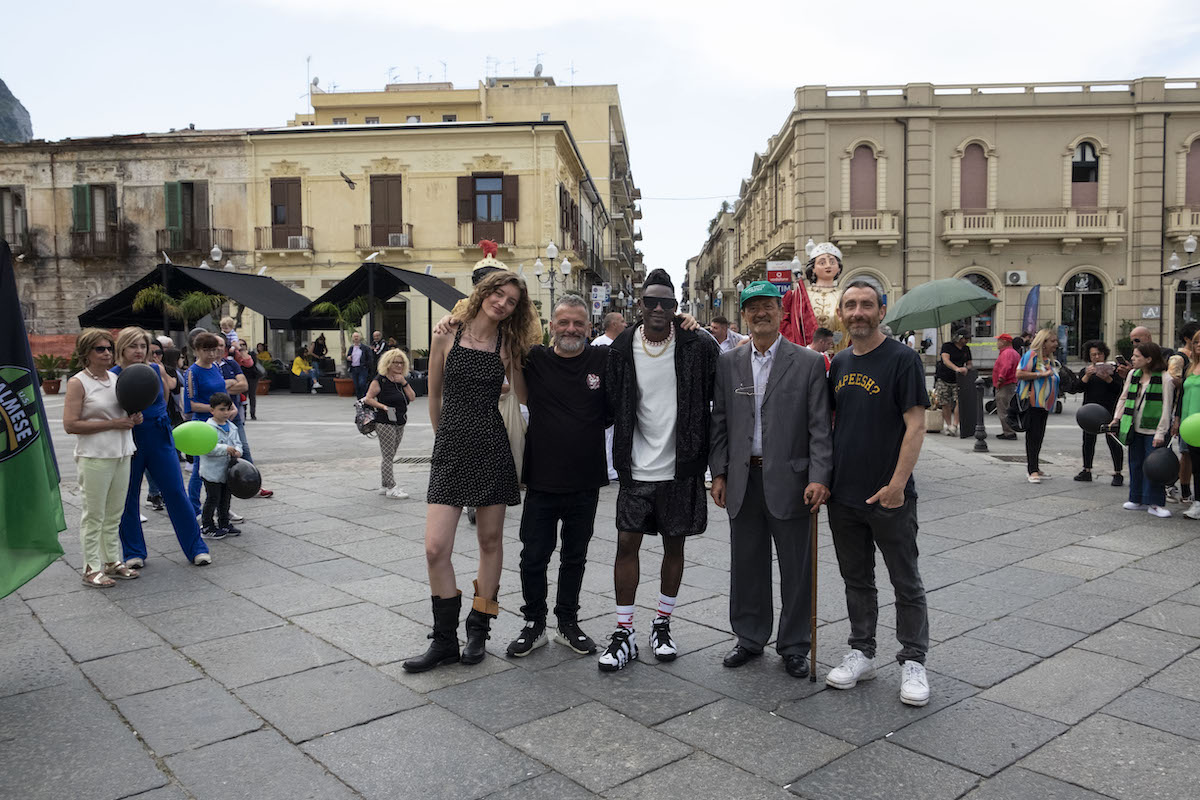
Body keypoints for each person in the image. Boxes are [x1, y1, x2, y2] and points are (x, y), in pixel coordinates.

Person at [402, 268, 537, 673]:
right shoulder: (447, 332)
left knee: (490, 541)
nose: (502, 303)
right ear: (484, 292)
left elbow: (525, 394)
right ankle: (444, 640)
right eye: (498, 293)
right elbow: (435, 393)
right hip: (452, 445)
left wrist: (524, 362)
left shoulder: (507, 343)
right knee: (435, 547)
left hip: (492, 445)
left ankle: (478, 627)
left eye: (511, 301)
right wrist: (440, 436)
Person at [598, 268, 719, 672]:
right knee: (626, 545)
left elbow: (719, 395)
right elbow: (608, 401)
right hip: (635, 468)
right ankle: (623, 631)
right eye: (650, 301)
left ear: (675, 307)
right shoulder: (620, 349)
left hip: (680, 467)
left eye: (666, 303)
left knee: (675, 546)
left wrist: (715, 465)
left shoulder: (697, 345)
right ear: (639, 305)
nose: (657, 309)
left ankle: (662, 623)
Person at [710, 281, 831, 678]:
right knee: (746, 564)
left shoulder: (809, 363)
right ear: (744, 314)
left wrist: (819, 476)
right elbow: (721, 423)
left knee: (797, 568)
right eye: (753, 307)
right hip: (744, 479)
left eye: (768, 306)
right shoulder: (728, 363)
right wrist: (719, 473)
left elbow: (819, 428)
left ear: (780, 312)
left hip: (793, 481)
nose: (760, 313)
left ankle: (795, 645)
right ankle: (748, 637)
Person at [826, 280, 932, 707]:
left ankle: (913, 660)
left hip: (889, 495)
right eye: (850, 305)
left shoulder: (903, 360)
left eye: (866, 305)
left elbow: (916, 424)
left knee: (905, 581)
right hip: (844, 495)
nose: (858, 312)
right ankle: (862, 652)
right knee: (856, 580)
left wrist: (898, 485)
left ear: (881, 311)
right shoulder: (837, 362)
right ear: (841, 314)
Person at [496, 294, 615, 659]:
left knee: (575, 556)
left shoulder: (603, 359)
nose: (571, 329)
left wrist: (686, 325)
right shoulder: (534, 359)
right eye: (563, 322)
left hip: (585, 479)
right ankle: (534, 624)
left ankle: (567, 623)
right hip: (542, 479)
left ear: (589, 327)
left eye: (578, 323)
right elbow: (502, 344)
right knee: (533, 555)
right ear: (551, 325)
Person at [112, 327, 210, 569]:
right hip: (128, 440)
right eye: (133, 345)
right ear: (122, 347)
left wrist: (155, 418)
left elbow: (163, 400)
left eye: (143, 346)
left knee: (176, 492)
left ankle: (197, 548)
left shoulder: (155, 369)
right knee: (128, 495)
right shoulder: (113, 375)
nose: (139, 351)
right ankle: (133, 551)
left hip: (159, 435)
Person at [62, 329, 143, 587]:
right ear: (86, 353)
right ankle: (91, 567)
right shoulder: (78, 382)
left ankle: (111, 561)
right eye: (100, 349)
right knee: (94, 514)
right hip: (95, 455)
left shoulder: (116, 378)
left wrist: (132, 419)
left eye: (109, 348)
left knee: (114, 513)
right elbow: (70, 424)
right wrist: (113, 424)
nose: (107, 352)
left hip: (122, 452)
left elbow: (124, 411)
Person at [1110, 341, 1174, 518]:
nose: (1132, 359)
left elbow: (1166, 408)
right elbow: (1124, 398)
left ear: (1148, 359)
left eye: (1137, 356)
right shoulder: (1133, 374)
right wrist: (1117, 418)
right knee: (1135, 462)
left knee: (1154, 466)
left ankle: (1154, 502)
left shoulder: (1165, 378)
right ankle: (1136, 498)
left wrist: (1161, 432)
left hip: (1153, 430)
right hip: (1133, 426)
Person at [184, 332, 233, 515]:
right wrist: (218, 410)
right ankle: (194, 509)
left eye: (214, 350)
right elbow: (192, 405)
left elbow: (222, 393)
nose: (211, 354)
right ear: (196, 350)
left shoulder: (215, 367)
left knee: (222, 466)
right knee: (199, 469)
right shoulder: (192, 372)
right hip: (203, 425)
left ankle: (222, 508)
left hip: (221, 423)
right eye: (207, 350)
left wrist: (230, 408)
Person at [363, 348, 416, 498]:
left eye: (401, 363)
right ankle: (391, 487)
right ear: (388, 363)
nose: (399, 366)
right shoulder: (380, 379)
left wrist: (404, 382)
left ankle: (384, 485)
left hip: (400, 420)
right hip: (385, 421)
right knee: (387, 455)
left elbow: (412, 397)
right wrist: (383, 407)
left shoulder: (401, 380)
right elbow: (368, 398)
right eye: (395, 362)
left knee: (390, 454)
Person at [1014, 329, 1060, 483]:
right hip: (1033, 402)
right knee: (1033, 436)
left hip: (1045, 404)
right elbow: (1019, 374)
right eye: (1052, 341)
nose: (1056, 344)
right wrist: (1041, 375)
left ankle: (1036, 466)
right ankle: (1031, 469)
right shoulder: (1032, 355)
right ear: (1044, 342)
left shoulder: (1048, 359)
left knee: (1039, 436)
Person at [1076, 340, 1124, 486]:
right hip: (1090, 411)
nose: (1097, 357)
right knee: (1088, 441)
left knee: (1114, 442)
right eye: (1093, 355)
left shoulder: (1114, 370)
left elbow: (1119, 390)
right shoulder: (1086, 371)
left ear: (1104, 354)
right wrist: (1087, 376)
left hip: (1109, 410)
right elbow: (1078, 388)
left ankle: (1118, 473)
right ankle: (1087, 469)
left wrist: (1108, 379)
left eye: (1099, 354)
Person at [199, 392, 242, 538]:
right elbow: (207, 448)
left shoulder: (232, 427)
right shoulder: (208, 428)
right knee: (212, 499)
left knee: (225, 499)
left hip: (227, 472)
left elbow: (238, 444)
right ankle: (207, 525)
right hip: (211, 472)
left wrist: (238, 452)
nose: (225, 413)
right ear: (212, 410)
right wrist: (225, 449)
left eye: (228, 409)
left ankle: (224, 523)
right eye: (221, 409)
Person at [592, 313, 627, 482]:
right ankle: (607, 468)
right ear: (613, 324)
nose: (625, 324)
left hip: (617, 395)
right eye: (621, 321)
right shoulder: (599, 343)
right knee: (606, 433)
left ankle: (613, 466)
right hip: (603, 395)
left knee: (614, 433)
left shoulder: (622, 342)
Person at [1174, 327, 1200, 519]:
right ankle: (1197, 502)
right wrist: (1177, 419)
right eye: (1196, 342)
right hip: (1190, 424)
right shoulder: (1190, 367)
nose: (1198, 345)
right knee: (1196, 464)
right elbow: (1182, 395)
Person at [935, 329, 973, 436]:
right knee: (945, 402)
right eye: (965, 338)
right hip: (944, 377)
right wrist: (956, 368)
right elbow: (945, 360)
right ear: (959, 338)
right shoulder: (947, 346)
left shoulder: (966, 349)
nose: (967, 340)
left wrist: (966, 368)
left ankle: (955, 425)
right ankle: (948, 425)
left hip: (959, 380)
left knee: (959, 401)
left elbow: (970, 363)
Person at [993, 334, 1020, 440]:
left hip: (1006, 384)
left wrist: (1000, 380)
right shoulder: (1013, 352)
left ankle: (1009, 432)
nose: (997, 343)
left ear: (1004, 342)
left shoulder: (1007, 353)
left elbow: (1006, 367)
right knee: (1007, 407)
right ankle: (1008, 431)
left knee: (1003, 409)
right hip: (1010, 384)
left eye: (998, 341)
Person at [346, 331, 375, 399]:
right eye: (354, 336)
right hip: (354, 368)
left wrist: (367, 366)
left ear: (360, 338)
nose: (356, 338)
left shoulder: (365, 348)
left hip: (362, 368)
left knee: (362, 383)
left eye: (357, 336)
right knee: (356, 385)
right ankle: (359, 399)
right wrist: (348, 358)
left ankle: (365, 398)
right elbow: (348, 356)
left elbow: (370, 358)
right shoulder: (351, 348)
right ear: (352, 338)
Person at [235, 341, 259, 420]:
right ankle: (244, 413)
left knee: (252, 396)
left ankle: (253, 413)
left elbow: (253, 364)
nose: (241, 346)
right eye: (240, 345)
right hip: (242, 377)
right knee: (243, 396)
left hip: (252, 377)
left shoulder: (251, 353)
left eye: (243, 344)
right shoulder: (236, 355)